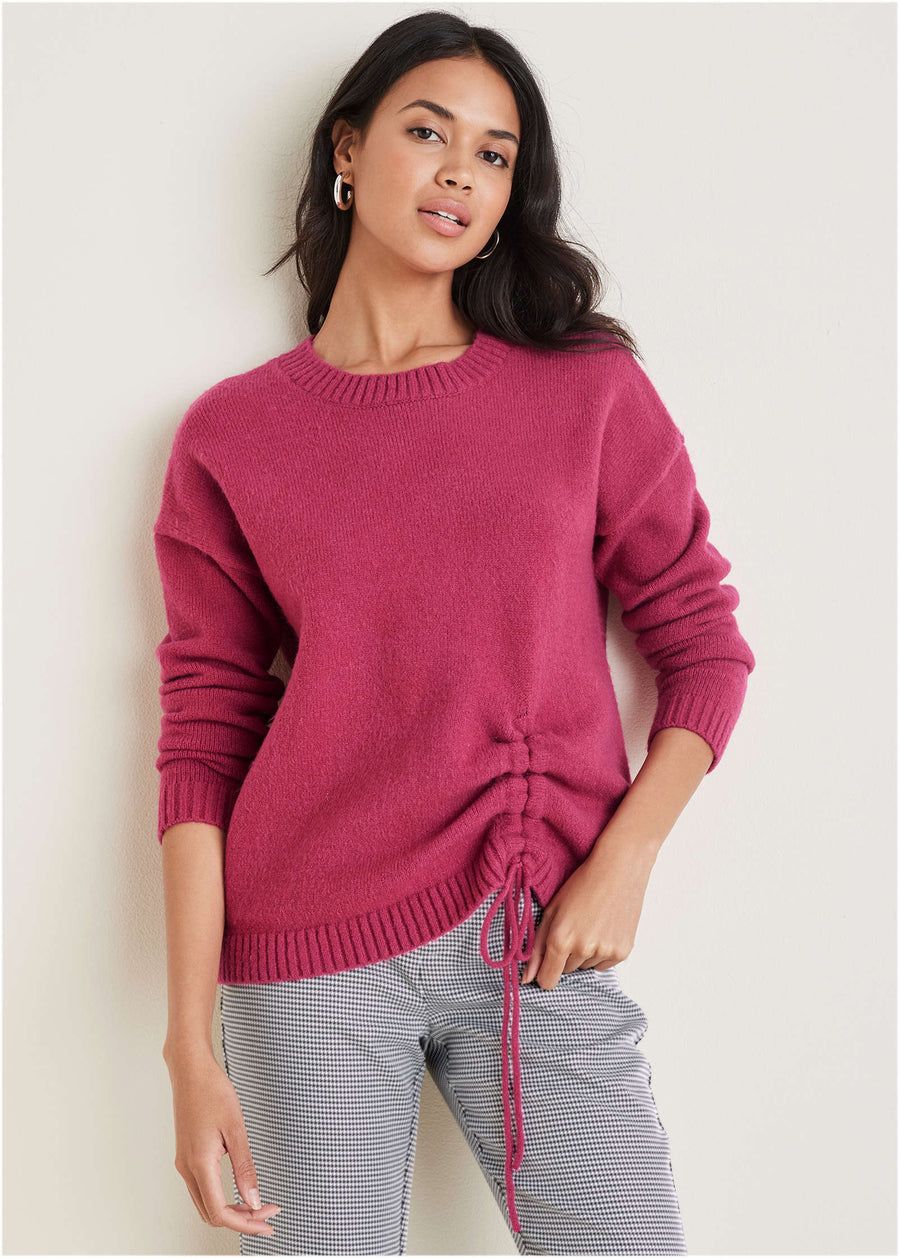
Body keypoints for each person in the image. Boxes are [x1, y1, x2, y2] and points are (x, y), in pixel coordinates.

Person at [153, 11, 756, 1256]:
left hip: (536, 938)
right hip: (305, 954)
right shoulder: (233, 434)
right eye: (428, 133)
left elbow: (703, 643)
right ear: (348, 148)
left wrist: (627, 855)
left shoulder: (584, 389)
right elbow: (205, 733)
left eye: (493, 154)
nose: (459, 174)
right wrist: (188, 1045)